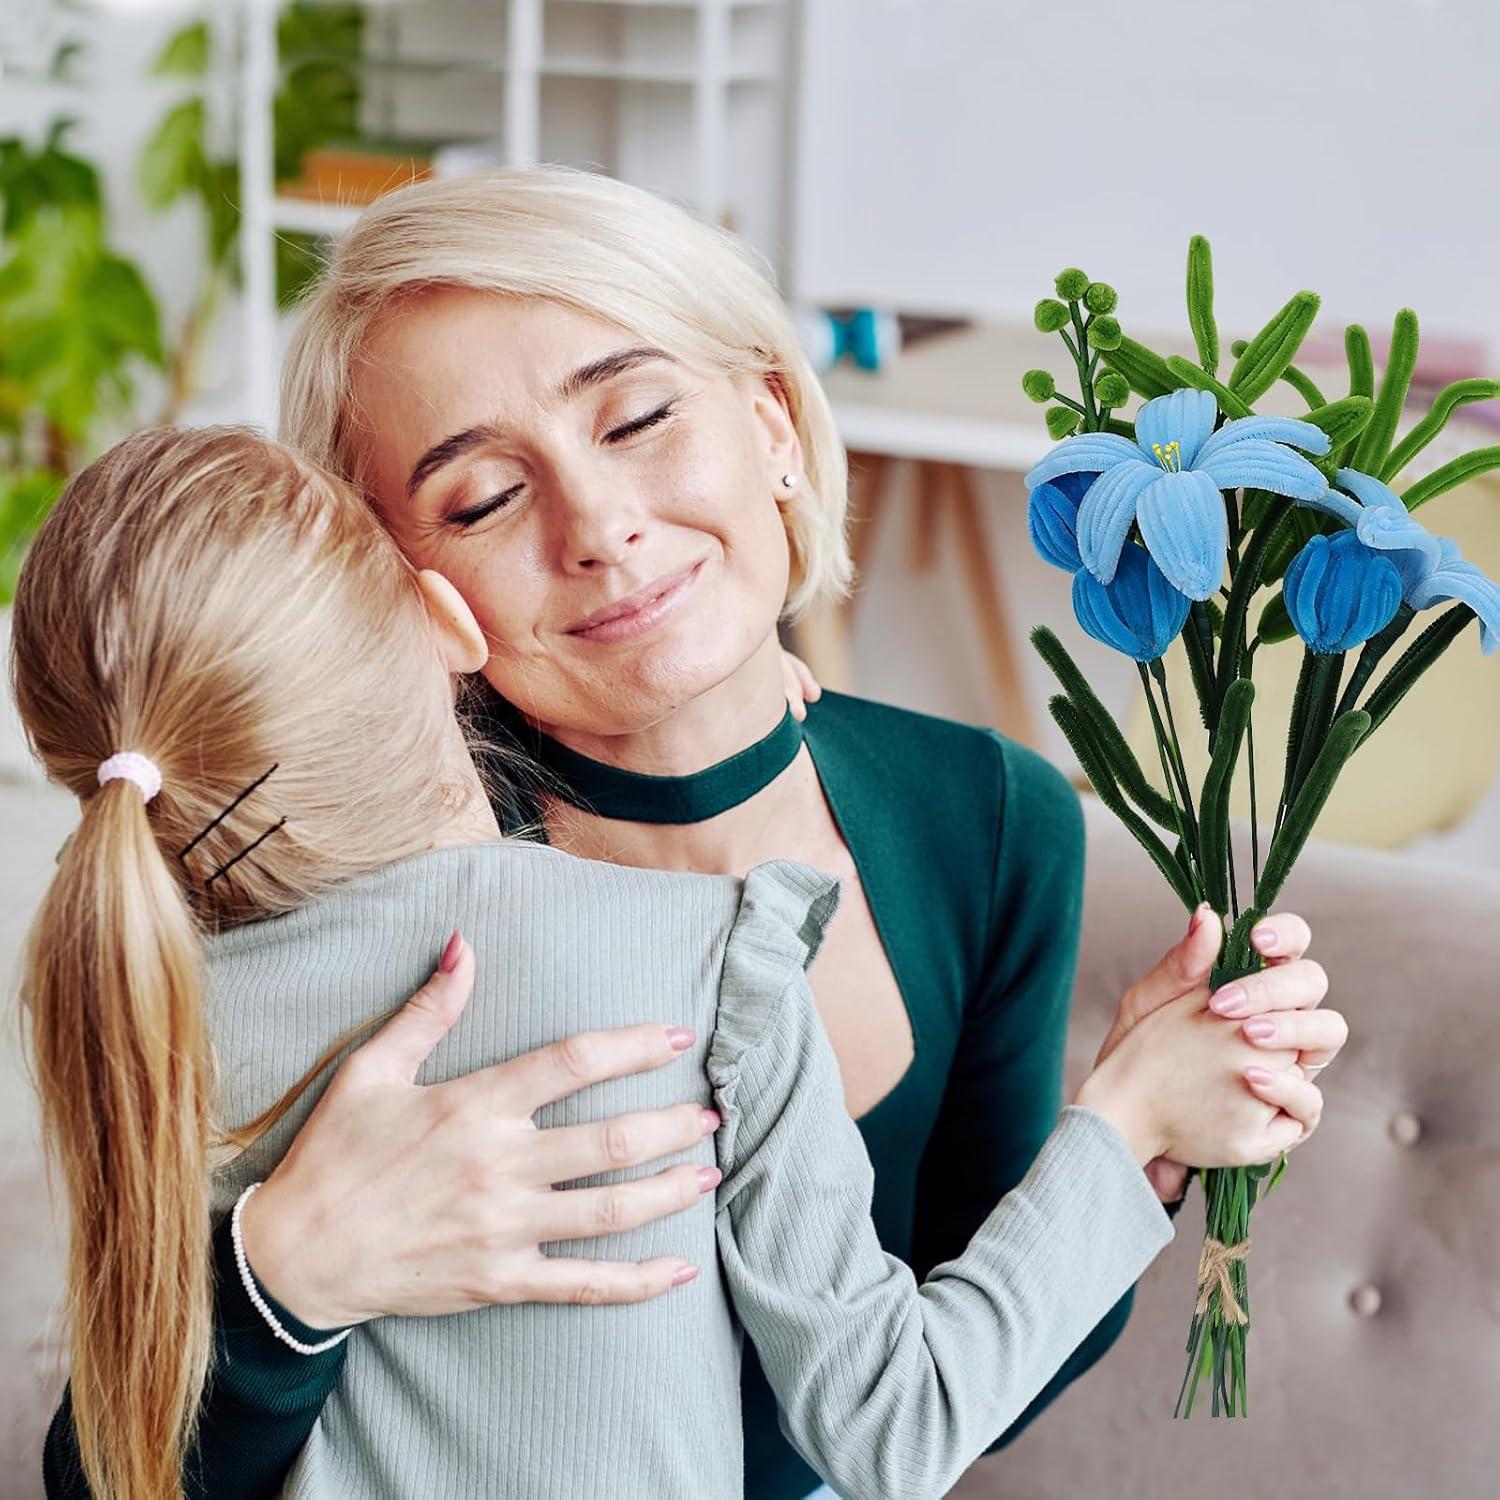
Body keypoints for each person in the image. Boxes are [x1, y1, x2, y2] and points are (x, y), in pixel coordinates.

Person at [39, 166, 1345, 1498]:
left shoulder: (989, 815)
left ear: (773, 419)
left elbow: (957, 1390)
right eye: (482, 498)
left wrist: (1142, 1136)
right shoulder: (356, 877)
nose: (600, 526)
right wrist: (287, 1278)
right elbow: (104, 1470)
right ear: (400, 593)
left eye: (640, 417)